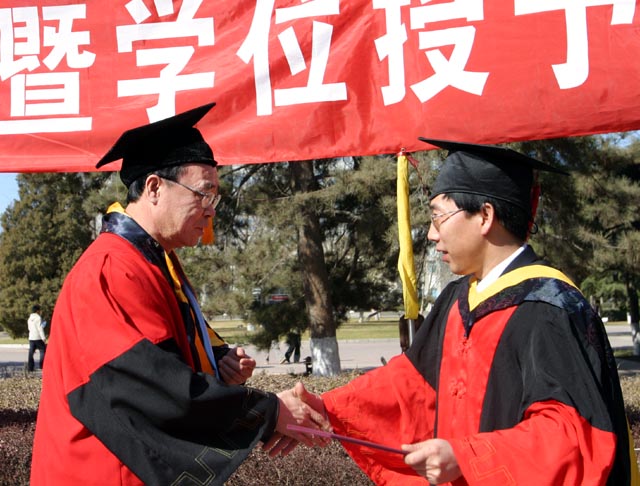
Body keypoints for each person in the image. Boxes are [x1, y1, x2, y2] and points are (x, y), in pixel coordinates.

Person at [305, 139, 638, 485]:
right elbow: (412, 385)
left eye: (438, 216)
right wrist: (327, 408)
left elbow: (571, 437)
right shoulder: (456, 299)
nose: (431, 234)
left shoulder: (549, 308)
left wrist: (467, 456)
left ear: (485, 216)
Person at [30, 103, 328, 485]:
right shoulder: (111, 268)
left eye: (215, 197)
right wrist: (267, 412)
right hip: (99, 471)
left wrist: (215, 365)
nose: (211, 211)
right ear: (154, 188)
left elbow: (164, 364)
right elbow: (155, 387)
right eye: (203, 193)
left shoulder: (152, 261)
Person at [27, 304, 46, 372]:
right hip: (38, 337)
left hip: (31, 337)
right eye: (39, 310)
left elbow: (29, 328)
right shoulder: (38, 318)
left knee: (31, 352)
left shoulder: (29, 318)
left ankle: (30, 367)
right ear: (37, 311)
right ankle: (42, 365)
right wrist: (43, 338)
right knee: (42, 350)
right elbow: (40, 329)